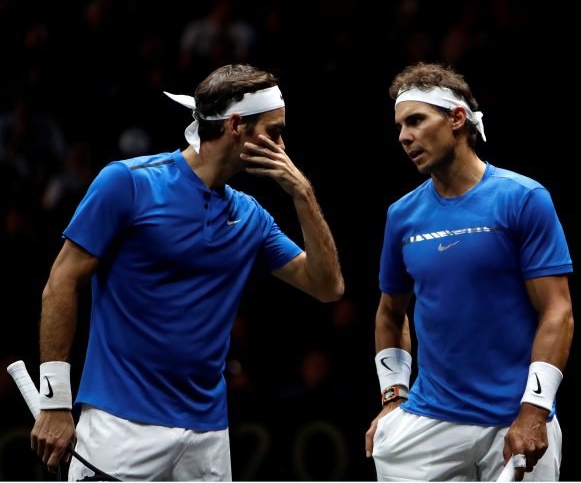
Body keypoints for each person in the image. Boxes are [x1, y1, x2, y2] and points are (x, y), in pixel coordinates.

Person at [29, 63, 345, 481]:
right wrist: (54, 401)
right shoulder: (127, 183)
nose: (283, 145)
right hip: (120, 427)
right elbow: (61, 282)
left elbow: (328, 286)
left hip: (207, 437)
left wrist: (302, 193)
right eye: (275, 131)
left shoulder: (250, 215)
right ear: (236, 126)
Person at [364, 62, 574, 482]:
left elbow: (558, 312)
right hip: (428, 422)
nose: (404, 136)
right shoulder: (402, 215)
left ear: (457, 119)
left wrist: (534, 410)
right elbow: (390, 312)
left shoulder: (523, 199)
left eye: (417, 121)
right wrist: (392, 398)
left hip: (516, 422)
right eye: (400, 126)